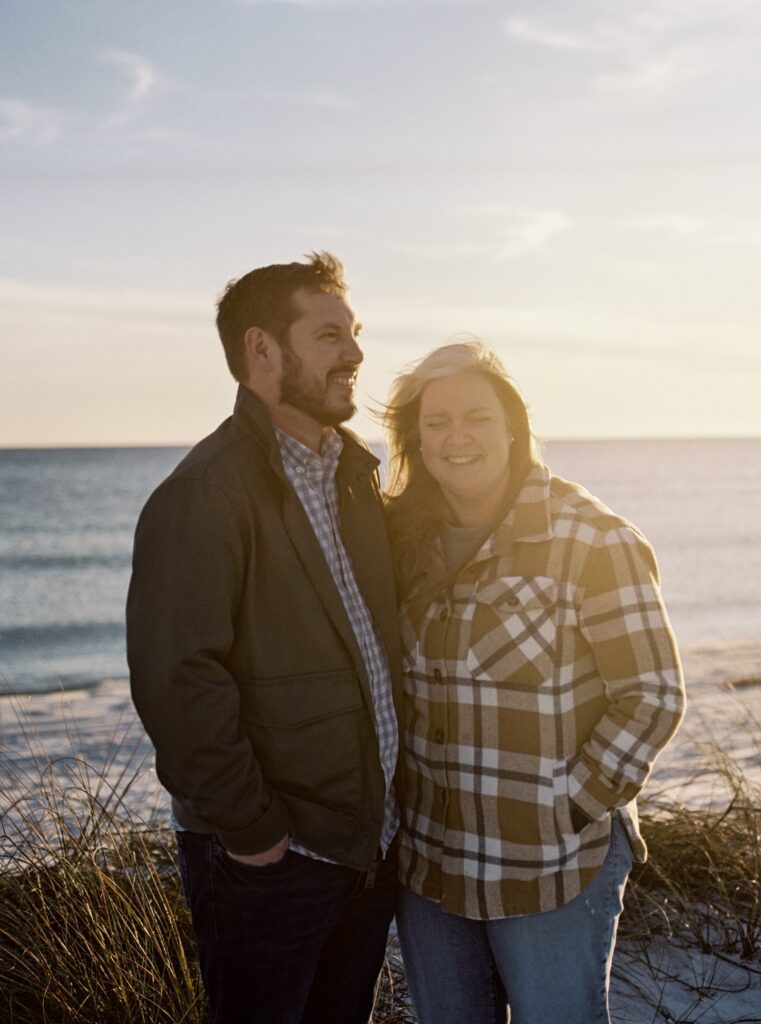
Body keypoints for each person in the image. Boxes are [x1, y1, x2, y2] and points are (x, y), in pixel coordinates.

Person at [126, 252, 402, 1024]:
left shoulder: (354, 476)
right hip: (270, 861)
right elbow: (177, 682)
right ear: (261, 351)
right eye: (328, 335)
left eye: (353, 333)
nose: (353, 353)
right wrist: (254, 837)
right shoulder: (202, 494)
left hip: (364, 845)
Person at [381, 340, 686, 1024]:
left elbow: (653, 694)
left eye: (477, 418)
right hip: (430, 862)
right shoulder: (402, 542)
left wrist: (570, 803)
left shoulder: (590, 540)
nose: (457, 437)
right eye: (436, 423)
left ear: (512, 425)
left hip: (551, 864)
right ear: (416, 440)